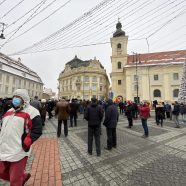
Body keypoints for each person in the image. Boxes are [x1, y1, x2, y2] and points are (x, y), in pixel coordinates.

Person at [0, 89, 42, 186]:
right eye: (14, 96)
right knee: (2, 172)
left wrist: (26, 142)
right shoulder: (9, 111)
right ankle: (22, 177)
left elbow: (37, 130)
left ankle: (19, 179)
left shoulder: (32, 112)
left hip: (19, 150)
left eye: (18, 97)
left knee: (15, 180)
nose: (15, 99)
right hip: (4, 148)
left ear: (24, 99)